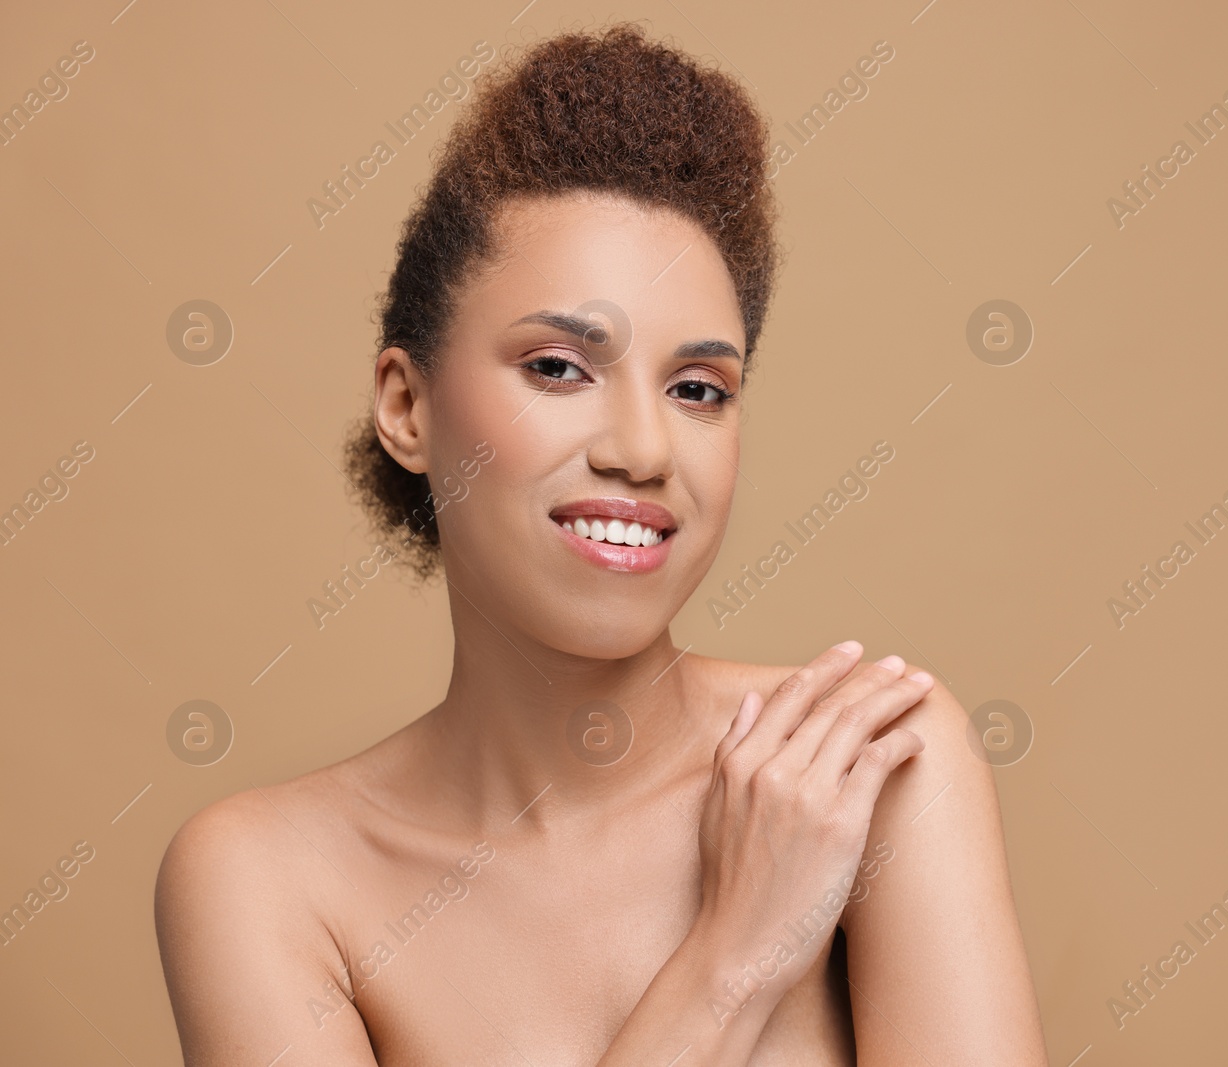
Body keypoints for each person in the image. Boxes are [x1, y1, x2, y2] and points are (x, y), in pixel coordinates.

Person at [155, 22, 1047, 1066]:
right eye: (559, 368)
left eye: (697, 389)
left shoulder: (870, 768)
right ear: (406, 404)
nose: (641, 448)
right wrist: (736, 956)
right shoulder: (264, 881)